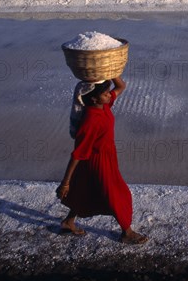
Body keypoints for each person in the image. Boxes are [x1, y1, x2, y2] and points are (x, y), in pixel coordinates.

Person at [56, 76, 148, 244]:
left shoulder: (103, 105)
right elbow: (78, 153)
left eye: (107, 92)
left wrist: (110, 70)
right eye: (105, 93)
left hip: (107, 156)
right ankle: (126, 232)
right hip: (98, 162)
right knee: (117, 194)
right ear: (93, 98)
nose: (108, 94)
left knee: (85, 190)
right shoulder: (91, 120)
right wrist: (65, 182)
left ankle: (68, 222)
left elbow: (121, 86)